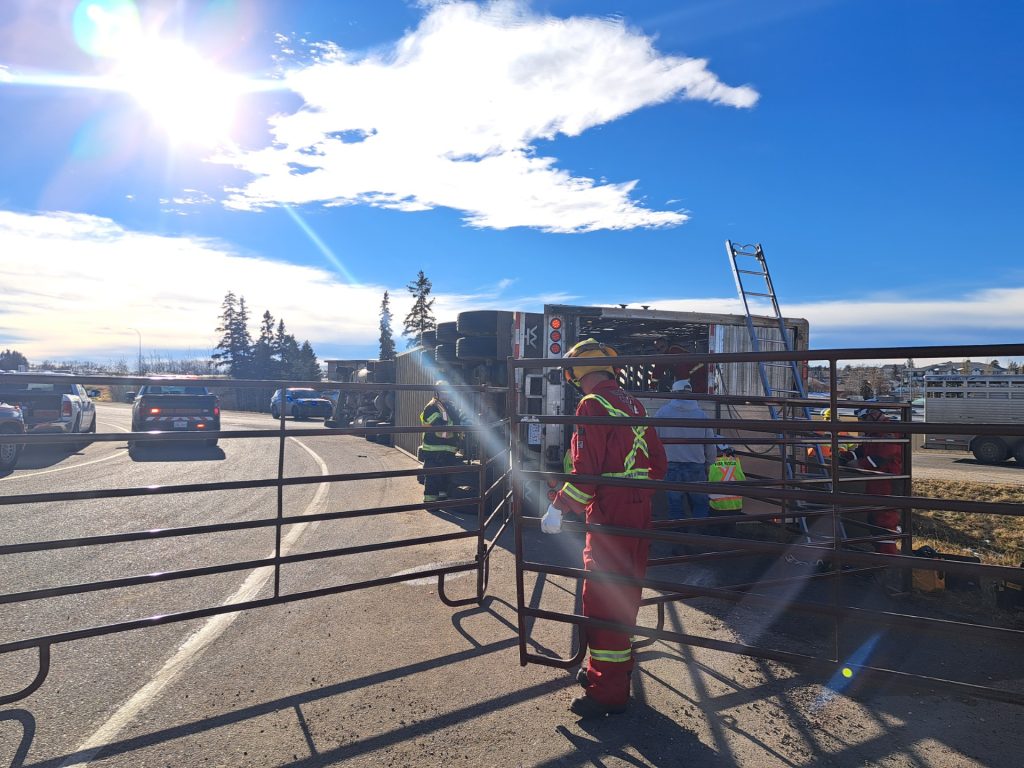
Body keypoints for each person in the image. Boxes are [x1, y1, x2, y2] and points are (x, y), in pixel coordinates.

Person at [540, 338, 667, 718]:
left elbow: (586, 474)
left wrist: (559, 508)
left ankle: (607, 691)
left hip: (611, 513)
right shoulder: (634, 403)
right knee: (626, 592)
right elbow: (658, 464)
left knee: (602, 597)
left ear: (576, 374)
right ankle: (614, 671)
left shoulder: (592, 404)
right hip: (638, 509)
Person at [839, 406, 904, 554]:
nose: (862, 422)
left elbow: (881, 456)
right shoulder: (874, 431)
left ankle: (888, 561)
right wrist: (847, 456)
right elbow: (864, 450)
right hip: (876, 482)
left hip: (887, 481)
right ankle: (880, 558)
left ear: (875, 414)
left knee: (884, 520)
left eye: (864, 418)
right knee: (874, 518)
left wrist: (859, 464)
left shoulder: (888, 432)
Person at [654, 380, 716, 529]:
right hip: (696, 467)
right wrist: (709, 463)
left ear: (673, 393)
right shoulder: (702, 416)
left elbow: (653, 441)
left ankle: (679, 542)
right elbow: (710, 445)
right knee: (700, 504)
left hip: (671, 466)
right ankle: (696, 538)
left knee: (675, 507)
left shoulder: (662, 414)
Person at [419, 381, 461, 505]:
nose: (446, 395)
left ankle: (442, 500)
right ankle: (430, 503)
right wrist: (454, 427)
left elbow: (456, 422)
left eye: (448, 392)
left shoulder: (449, 406)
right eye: (443, 392)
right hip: (433, 449)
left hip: (448, 450)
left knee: (445, 477)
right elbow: (437, 425)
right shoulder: (432, 407)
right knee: (433, 477)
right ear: (437, 392)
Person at [708, 444, 746, 524]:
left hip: (716, 507)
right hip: (736, 507)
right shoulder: (735, 462)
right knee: (730, 530)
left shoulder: (711, 463)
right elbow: (743, 480)